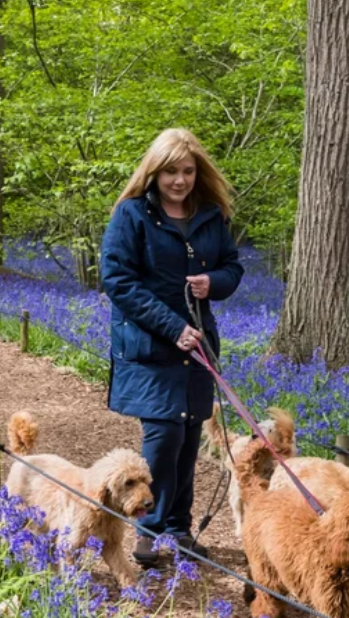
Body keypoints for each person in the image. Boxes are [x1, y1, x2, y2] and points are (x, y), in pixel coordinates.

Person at [100, 128, 244, 567]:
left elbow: (232, 268)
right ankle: (147, 531)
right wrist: (171, 325)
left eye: (186, 171)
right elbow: (117, 280)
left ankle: (178, 529)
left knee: (188, 438)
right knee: (163, 437)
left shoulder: (211, 215)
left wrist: (212, 283)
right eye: (169, 172)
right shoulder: (132, 215)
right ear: (154, 172)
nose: (179, 181)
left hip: (197, 344)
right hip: (151, 344)